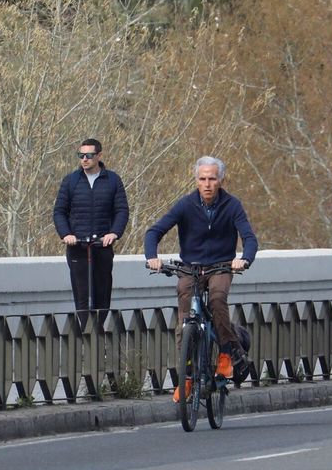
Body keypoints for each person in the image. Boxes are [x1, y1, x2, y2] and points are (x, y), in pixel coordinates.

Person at [144, 156, 258, 385]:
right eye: (203, 178)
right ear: (196, 180)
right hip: (190, 268)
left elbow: (249, 237)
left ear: (221, 180)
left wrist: (244, 259)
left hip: (220, 266)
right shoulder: (186, 205)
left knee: (217, 299)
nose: (207, 184)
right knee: (185, 315)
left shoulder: (232, 205)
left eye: (212, 179)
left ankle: (228, 352)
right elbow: (154, 231)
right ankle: (186, 374)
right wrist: (152, 257)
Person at [52, 138, 130, 329]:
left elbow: (121, 210)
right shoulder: (71, 181)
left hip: (102, 245)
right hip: (77, 246)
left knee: (102, 292)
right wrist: (66, 234)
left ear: (99, 156)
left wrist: (114, 233)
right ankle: (86, 334)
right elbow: (59, 211)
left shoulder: (112, 180)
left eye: (89, 155)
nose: (84, 159)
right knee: (81, 292)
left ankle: (99, 332)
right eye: (81, 155)